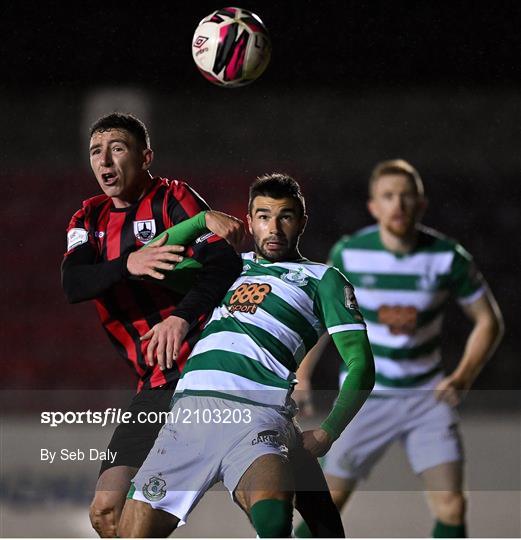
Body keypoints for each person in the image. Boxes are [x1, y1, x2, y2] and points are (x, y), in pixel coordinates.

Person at [117, 173, 376, 537]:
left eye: (286, 216)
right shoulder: (227, 268)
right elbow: (146, 261)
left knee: (275, 523)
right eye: (264, 215)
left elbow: (361, 364)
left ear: (302, 221)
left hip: (258, 416)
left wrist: (330, 432)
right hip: (188, 416)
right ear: (249, 221)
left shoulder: (323, 278)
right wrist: (200, 221)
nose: (274, 227)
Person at [295, 159, 504, 538]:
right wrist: (303, 373)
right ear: (373, 206)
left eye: (407, 197)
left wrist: (463, 376)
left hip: (426, 396)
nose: (398, 205)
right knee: (327, 502)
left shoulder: (447, 256)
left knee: (452, 505)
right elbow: (325, 319)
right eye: (388, 197)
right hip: (366, 396)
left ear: (422, 205)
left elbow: (489, 321)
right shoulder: (349, 254)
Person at [61, 112, 244, 537]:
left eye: (117, 149)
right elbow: (73, 283)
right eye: (96, 152)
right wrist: (129, 263)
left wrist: (181, 318)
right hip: (156, 385)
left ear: (146, 157)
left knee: (261, 497)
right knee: (107, 512)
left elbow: (223, 264)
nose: (105, 160)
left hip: (205, 370)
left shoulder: (172, 198)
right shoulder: (87, 219)